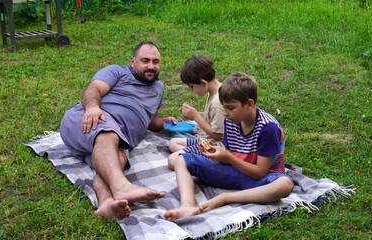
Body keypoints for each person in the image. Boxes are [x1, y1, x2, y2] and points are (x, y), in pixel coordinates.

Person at [60, 41, 176, 220]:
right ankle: (122, 187)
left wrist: (162, 123)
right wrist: (92, 108)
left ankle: (106, 203)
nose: (151, 66)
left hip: (119, 139)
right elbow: (94, 89)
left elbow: (150, 120)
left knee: (117, 159)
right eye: (145, 60)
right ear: (132, 61)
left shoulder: (158, 88)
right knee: (108, 135)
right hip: (90, 120)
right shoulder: (117, 72)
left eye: (156, 62)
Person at [164, 72, 294, 220]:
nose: (225, 113)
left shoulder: (267, 128)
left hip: (261, 181)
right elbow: (230, 155)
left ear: (249, 104)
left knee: (285, 184)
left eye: (231, 108)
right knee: (180, 159)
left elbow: (260, 173)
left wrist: (228, 158)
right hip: (235, 172)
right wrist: (215, 154)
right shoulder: (230, 120)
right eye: (224, 107)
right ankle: (187, 206)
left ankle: (227, 197)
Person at [168, 55, 224, 162]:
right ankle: (193, 154)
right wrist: (193, 115)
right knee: (173, 142)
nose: (191, 90)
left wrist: (196, 116)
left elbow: (217, 135)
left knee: (173, 159)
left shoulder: (218, 101)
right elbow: (211, 117)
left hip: (214, 146)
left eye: (192, 86)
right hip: (204, 141)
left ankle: (200, 158)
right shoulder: (213, 92)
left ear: (203, 83)